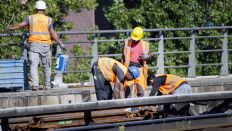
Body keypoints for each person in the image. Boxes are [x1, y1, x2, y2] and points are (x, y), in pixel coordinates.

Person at [6, 0, 64, 90]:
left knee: (34, 65)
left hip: (34, 45)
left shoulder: (31, 18)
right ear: (44, 9)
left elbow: (21, 25)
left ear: (36, 8)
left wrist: (11, 28)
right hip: (46, 45)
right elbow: (53, 33)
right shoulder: (48, 19)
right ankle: (47, 85)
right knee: (47, 66)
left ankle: (35, 85)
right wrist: (60, 43)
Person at [122, 27, 150, 98]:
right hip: (129, 68)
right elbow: (123, 56)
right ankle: (127, 107)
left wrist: (146, 57)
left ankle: (141, 107)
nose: (134, 40)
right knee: (128, 89)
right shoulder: (127, 42)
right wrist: (122, 70)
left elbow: (150, 54)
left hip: (139, 68)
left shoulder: (145, 44)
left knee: (141, 90)